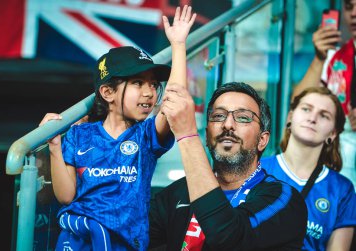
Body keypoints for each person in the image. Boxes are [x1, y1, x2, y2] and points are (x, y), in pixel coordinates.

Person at [39, 6, 196, 251]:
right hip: (78, 243)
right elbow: (66, 196)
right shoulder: (79, 134)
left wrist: (178, 45)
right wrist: (55, 147)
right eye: (137, 83)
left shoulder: (146, 136)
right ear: (108, 92)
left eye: (154, 84)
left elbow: (173, 101)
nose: (149, 92)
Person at [149, 82, 308, 250]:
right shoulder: (177, 193)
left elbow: (229, 238)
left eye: (243, 117)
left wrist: (187, 135)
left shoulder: (284, 199)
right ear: (208, 134)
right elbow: (135, 237)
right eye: (218, 116)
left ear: (262, 140)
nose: (228, 124)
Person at [261, 87, 356, 251]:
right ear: (290, 117)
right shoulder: (256, 169)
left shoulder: (342, 190)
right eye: (306, 109)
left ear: (332, 133)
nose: (312, 118)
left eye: (324, 115)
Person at [293, 0, 356, 189]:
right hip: (340, 165)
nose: (353, 13)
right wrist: (320, 57)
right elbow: (297, 104)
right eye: (348, 7)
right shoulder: (334, 58)